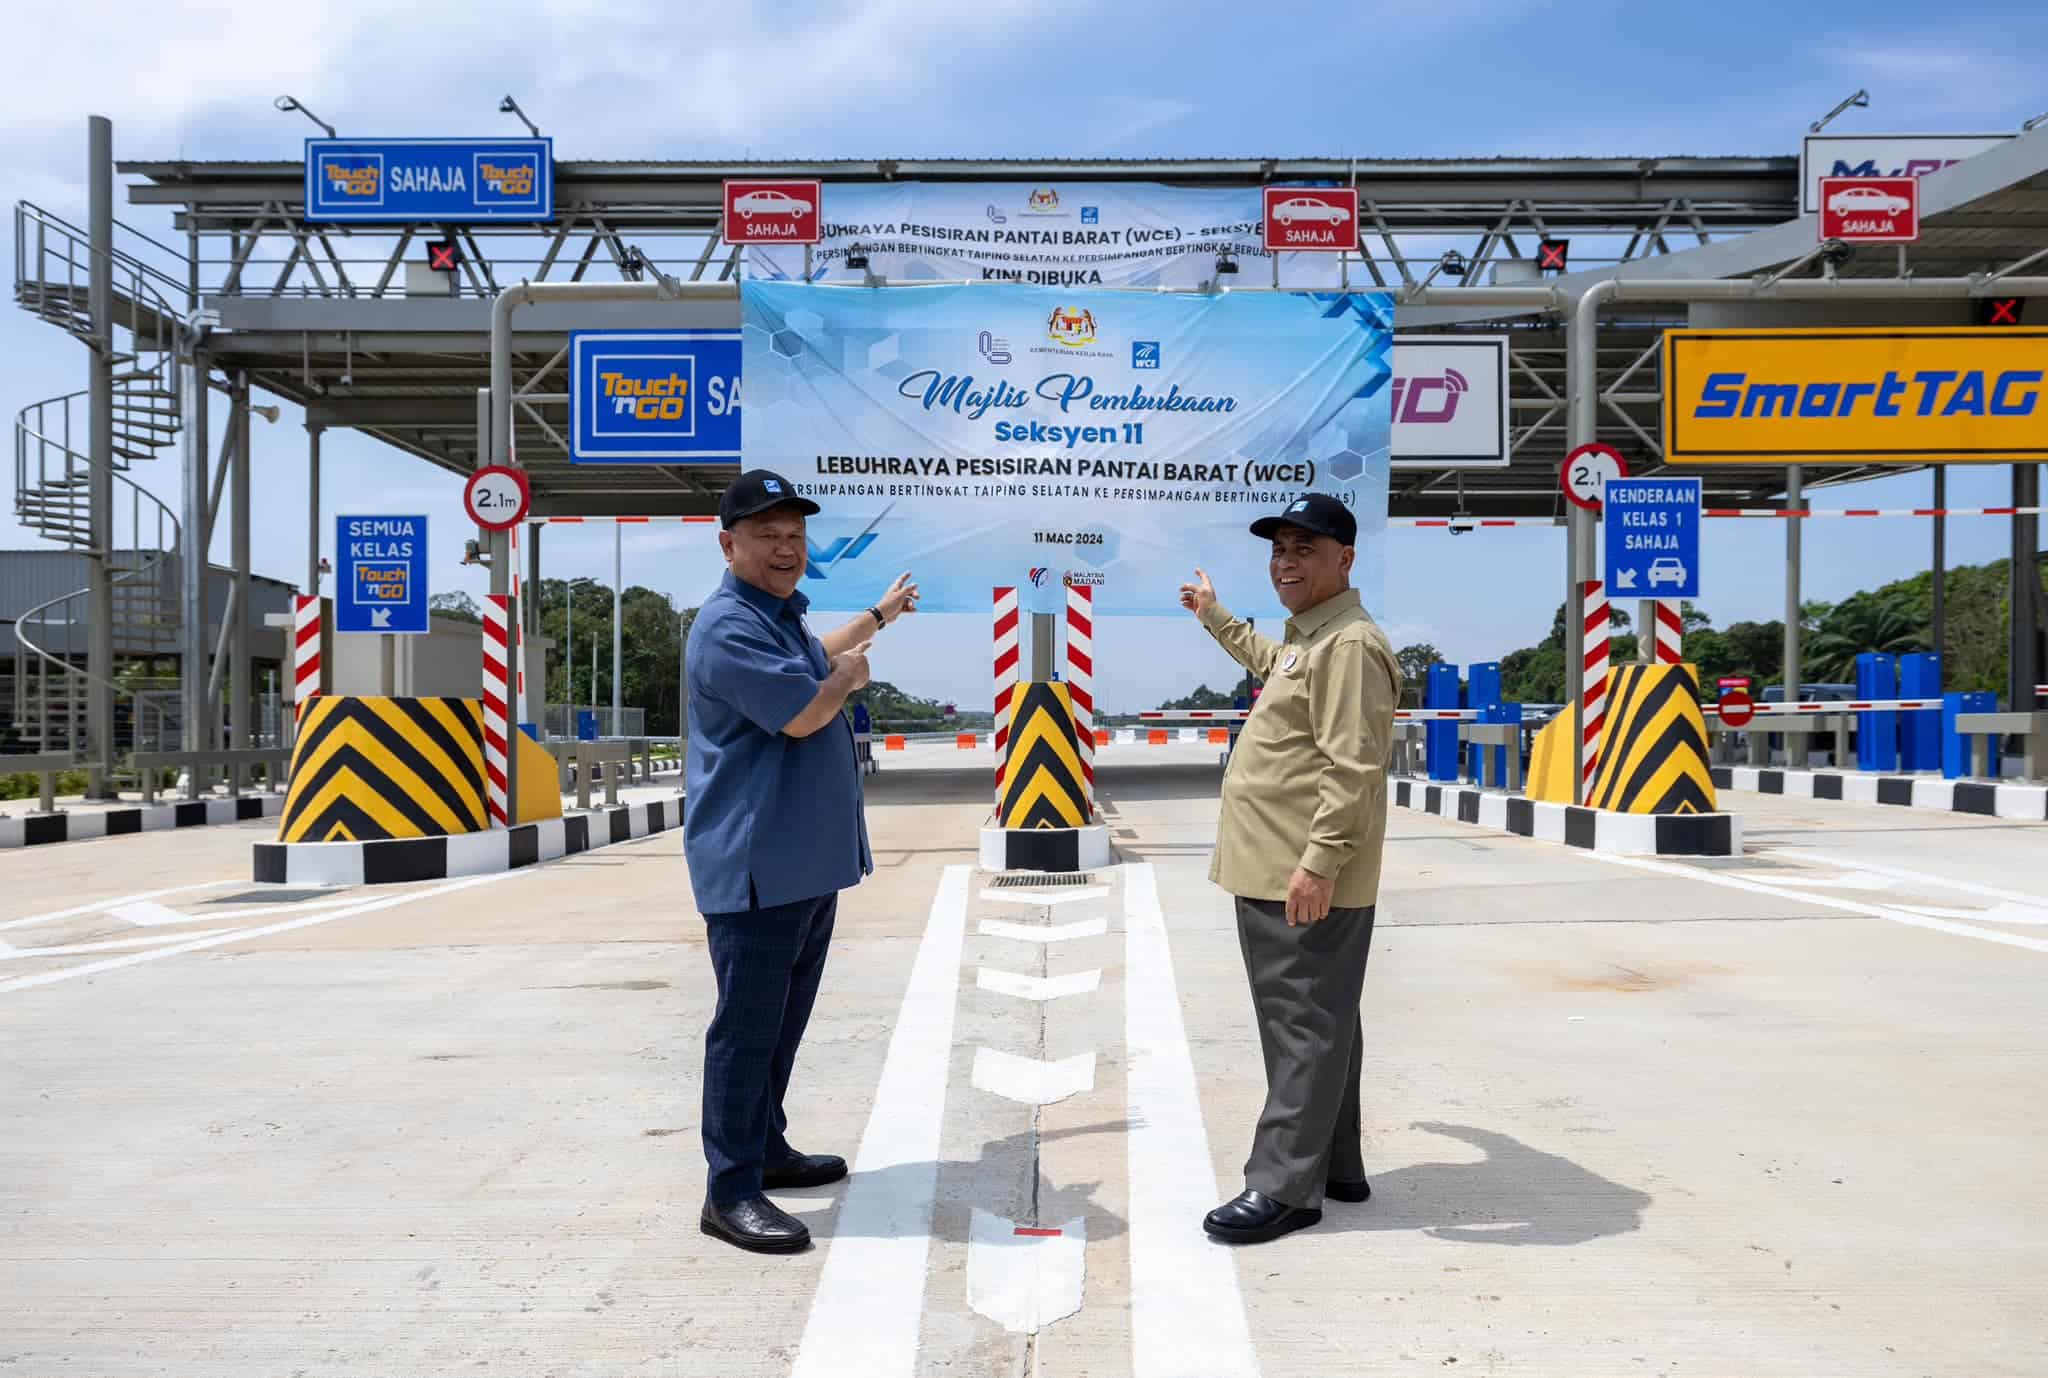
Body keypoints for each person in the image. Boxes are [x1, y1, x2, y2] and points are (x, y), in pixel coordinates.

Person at [684, 469, 918, 1254]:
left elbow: (811, 656)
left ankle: (767, 1148)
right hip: (758, 865)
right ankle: (730, 1190)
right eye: (766, 536)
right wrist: (849, 681)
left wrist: (877, 616)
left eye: (794, 536)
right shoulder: (728, 626)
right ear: (729, 545)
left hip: (802, 864)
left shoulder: (777, 616)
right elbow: (802, 712)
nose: (785, 549)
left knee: (782, 1026)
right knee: (746, 1032)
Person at [1177, 492, 1401, 1245]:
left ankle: (1283, 1187)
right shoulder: (1315, 639)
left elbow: (1354, 765)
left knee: (1300, 1021)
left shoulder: (1351, 645)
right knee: (1323, 1015)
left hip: (1296, 872)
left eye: (1305, 549)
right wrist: (1214, 615)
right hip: (1278, 862)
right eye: (1279, 550)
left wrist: (1318, 863)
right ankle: (1334, 1166)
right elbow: (1275, 665)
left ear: (1345, 559)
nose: (1286, 562)